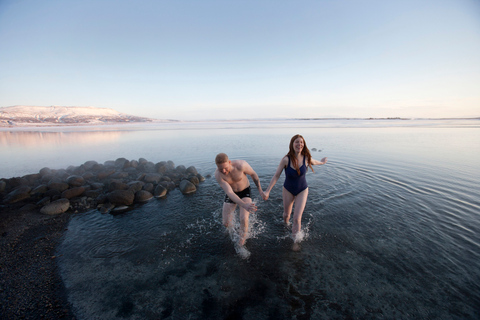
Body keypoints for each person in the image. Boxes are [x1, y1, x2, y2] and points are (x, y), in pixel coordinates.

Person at [263, 134, 327, 248]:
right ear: (292, 144)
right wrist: (267, 191)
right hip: (288, 189)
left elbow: (315, 162)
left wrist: (322, 162)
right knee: (286, 215)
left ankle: (295, 243)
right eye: (297, 142)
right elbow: (276, 175)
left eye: (301, 142)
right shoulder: (286, 159)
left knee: (297, 218)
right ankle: (286, 225)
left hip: (302, 190)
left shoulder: (306, 158)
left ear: (304, 144)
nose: (299, 144)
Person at [215, 153, 265, 247]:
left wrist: (260, 191)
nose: (224, 171)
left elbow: (253, 174)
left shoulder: (241, 165)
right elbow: (229, 193)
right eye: (220, 169)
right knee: (226, 223)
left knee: (243, 218)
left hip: (244, 191)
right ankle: (234, 233)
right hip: (232, 193)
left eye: (225, 168)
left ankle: (241, 244)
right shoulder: (218, 175)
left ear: (229, 162)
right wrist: (243, 204)